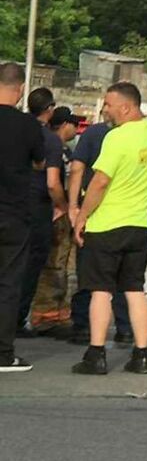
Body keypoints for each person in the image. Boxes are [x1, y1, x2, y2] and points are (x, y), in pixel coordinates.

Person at [72, 82, 147, 376]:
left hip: (106, 225)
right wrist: (145, 208)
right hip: (136, 226)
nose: (105, 110)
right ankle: (142, 354)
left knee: (101, 291)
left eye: (109, 105)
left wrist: (82, 216)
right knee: (135, 290)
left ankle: (96, 354)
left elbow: (99, 181)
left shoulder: (116, 138)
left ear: (126, 107)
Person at [67, 111, 133, 346]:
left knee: (90, 274)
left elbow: (77, 169)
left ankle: (84, 326)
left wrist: (74, 208)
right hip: (127, 215)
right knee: (125, 277)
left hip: (95, 212)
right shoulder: (138, 136)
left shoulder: (94, 133)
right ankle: (125, 328)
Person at [0, 63, 45, 373]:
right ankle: (3, 353)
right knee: (8, 284)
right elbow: (41, 163)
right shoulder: (28, 125)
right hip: (13, 213)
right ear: (19, 90)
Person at [17, 87, 67, 338]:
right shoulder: (51, 141)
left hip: (13, 204)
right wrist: (63, 205)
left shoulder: (17, 130)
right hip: (38, 208)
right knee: (31, 266)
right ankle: (17, 319)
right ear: (50, 110)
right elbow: (52, 182)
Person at [31, 107, 84, 336]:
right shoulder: (54, 146)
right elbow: (53, 183)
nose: (76, 128)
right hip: (55, 213)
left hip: (59, 212)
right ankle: (46, 315)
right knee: (53, 265)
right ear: (64, 125)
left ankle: (60, 313)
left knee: (63, 267)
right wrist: (62, 207)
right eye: (74, 124)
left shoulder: (62, 149)